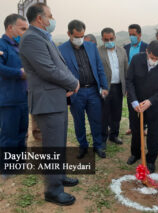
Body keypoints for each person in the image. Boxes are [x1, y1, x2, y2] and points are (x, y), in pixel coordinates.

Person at [19, 3, 80, 205]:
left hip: (56, 99)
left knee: (59, 144)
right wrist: (73, 82)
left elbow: (59, 65)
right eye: (50, 16)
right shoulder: (31, 39)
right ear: (39, 18)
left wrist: (69, 84)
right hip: (47, 102)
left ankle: (59, 176)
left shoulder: (43, 37)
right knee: (53, 147)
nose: (52, 19)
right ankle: (53, 191)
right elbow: (48, 70)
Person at [59, 20, 108, 159]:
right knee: (78, 121)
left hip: (93, 90)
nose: (80, 39)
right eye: (77, 36)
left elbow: (99, 68)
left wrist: (104, 86)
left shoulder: (92, 47)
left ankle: (98, 145)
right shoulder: (61, 50)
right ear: (69, 34)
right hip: (76, 93)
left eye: (82, 36)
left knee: (96, 120)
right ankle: (83, 146)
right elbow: (60, 73)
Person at [126, 40, 158, 173]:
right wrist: (134, 101)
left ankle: (151, 159)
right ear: (147, 52)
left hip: (153, 104)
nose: (155, 61)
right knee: (135, 130)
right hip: (136, 104)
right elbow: (129, 81)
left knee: (153, 132)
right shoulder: (136, 59)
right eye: (152, 58)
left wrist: (151, 101)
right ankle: (135, 153)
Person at [0, 14, 28, 178]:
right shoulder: (1, 45)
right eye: (22, 28)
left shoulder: (20, 46)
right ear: (11, 28)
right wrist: (19, 73)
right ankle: (7, 168)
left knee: (22, 132)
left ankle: (19, 163)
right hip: (9, 100)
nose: (25, 32)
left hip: (23, 98)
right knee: (8, 135)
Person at [98, 27, 128, 145]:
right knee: (104, 114)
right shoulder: (98, 51)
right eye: (106, 39)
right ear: (102, 39)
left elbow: (126, 69)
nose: (109, 41)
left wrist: (126, 87)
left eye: (111, 38)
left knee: (117, 113)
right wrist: (100, 88)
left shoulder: (122, 51)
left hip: (118, 87)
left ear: (115, 37)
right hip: (105, 88)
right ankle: (103, 138)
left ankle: (114, 135)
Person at [124, 24, 148, 135]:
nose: (131, 37)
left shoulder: (146, 47)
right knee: (131, 105)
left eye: (133, 34)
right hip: (130, 82)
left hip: (143, 82)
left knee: (143, 105)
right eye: (130, 35)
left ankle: (143, 127)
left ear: (139, 34)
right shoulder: (126, 48)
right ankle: (132, 127)